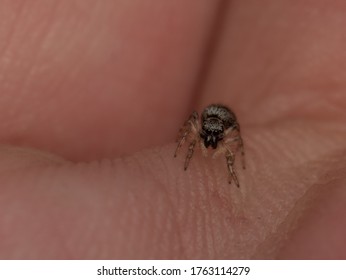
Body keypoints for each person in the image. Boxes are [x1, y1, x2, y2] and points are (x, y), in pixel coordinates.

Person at [0, 0, 345, 259]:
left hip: (223, 114)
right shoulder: (199, 129)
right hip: (213, 113)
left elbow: (235, 136)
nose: (209, 144)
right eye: (203, 139)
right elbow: (191, 129)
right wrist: (185, 150)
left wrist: (235, 167)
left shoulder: (227, 135)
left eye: (214, 140)